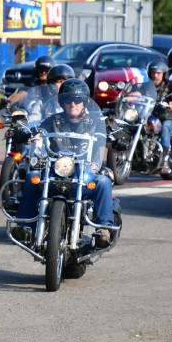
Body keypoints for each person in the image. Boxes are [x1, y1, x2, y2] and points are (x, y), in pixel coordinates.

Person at [13, 78, 116, 247]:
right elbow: (35, 130)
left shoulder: (95, 123)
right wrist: (25, 134)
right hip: (56, 171)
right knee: (33, 176)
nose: (73, 104)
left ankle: (104, 228)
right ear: (62, 102)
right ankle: (25, 226)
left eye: (77, 100)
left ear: (84, 102)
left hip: (85, 174)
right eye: (68, 100)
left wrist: (118, 141)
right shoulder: (52, 121)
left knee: (104, 181)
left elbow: (114, 141)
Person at [146, 62, 172, 173]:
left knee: (165, 127)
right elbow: (138, 93)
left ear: (163, 74)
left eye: (158, 73)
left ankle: (165, 159)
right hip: (151, 116)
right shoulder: (147, 85)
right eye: (153, 73)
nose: (156, 76)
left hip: (167, 118)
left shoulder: (170, 85)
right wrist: (127, 98)